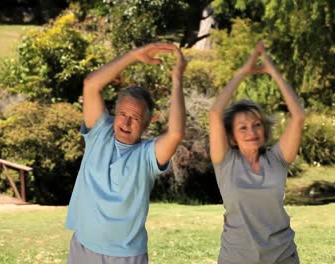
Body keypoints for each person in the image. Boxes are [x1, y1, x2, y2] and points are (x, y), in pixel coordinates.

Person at [65, 42, 187, 264]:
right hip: (83, 247)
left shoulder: (148, 156)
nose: (127, 122)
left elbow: (176, 133)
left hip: (125, 256)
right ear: (115, 112)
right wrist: (133, 55)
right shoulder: (99, 133)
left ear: (147, 123)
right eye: (122, 114)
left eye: (136, 118)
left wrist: (177, 79)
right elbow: (91, 84)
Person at [209, 41, 305, 264]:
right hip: (237, 256)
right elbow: (215, 113)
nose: (251, 131)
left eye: (257, 124)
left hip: (282, 255)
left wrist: (274, 73)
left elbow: (298, 116)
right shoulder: (224, 162)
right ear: (231, 136)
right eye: (242, 127)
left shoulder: (277, 159)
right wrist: (243, 72)